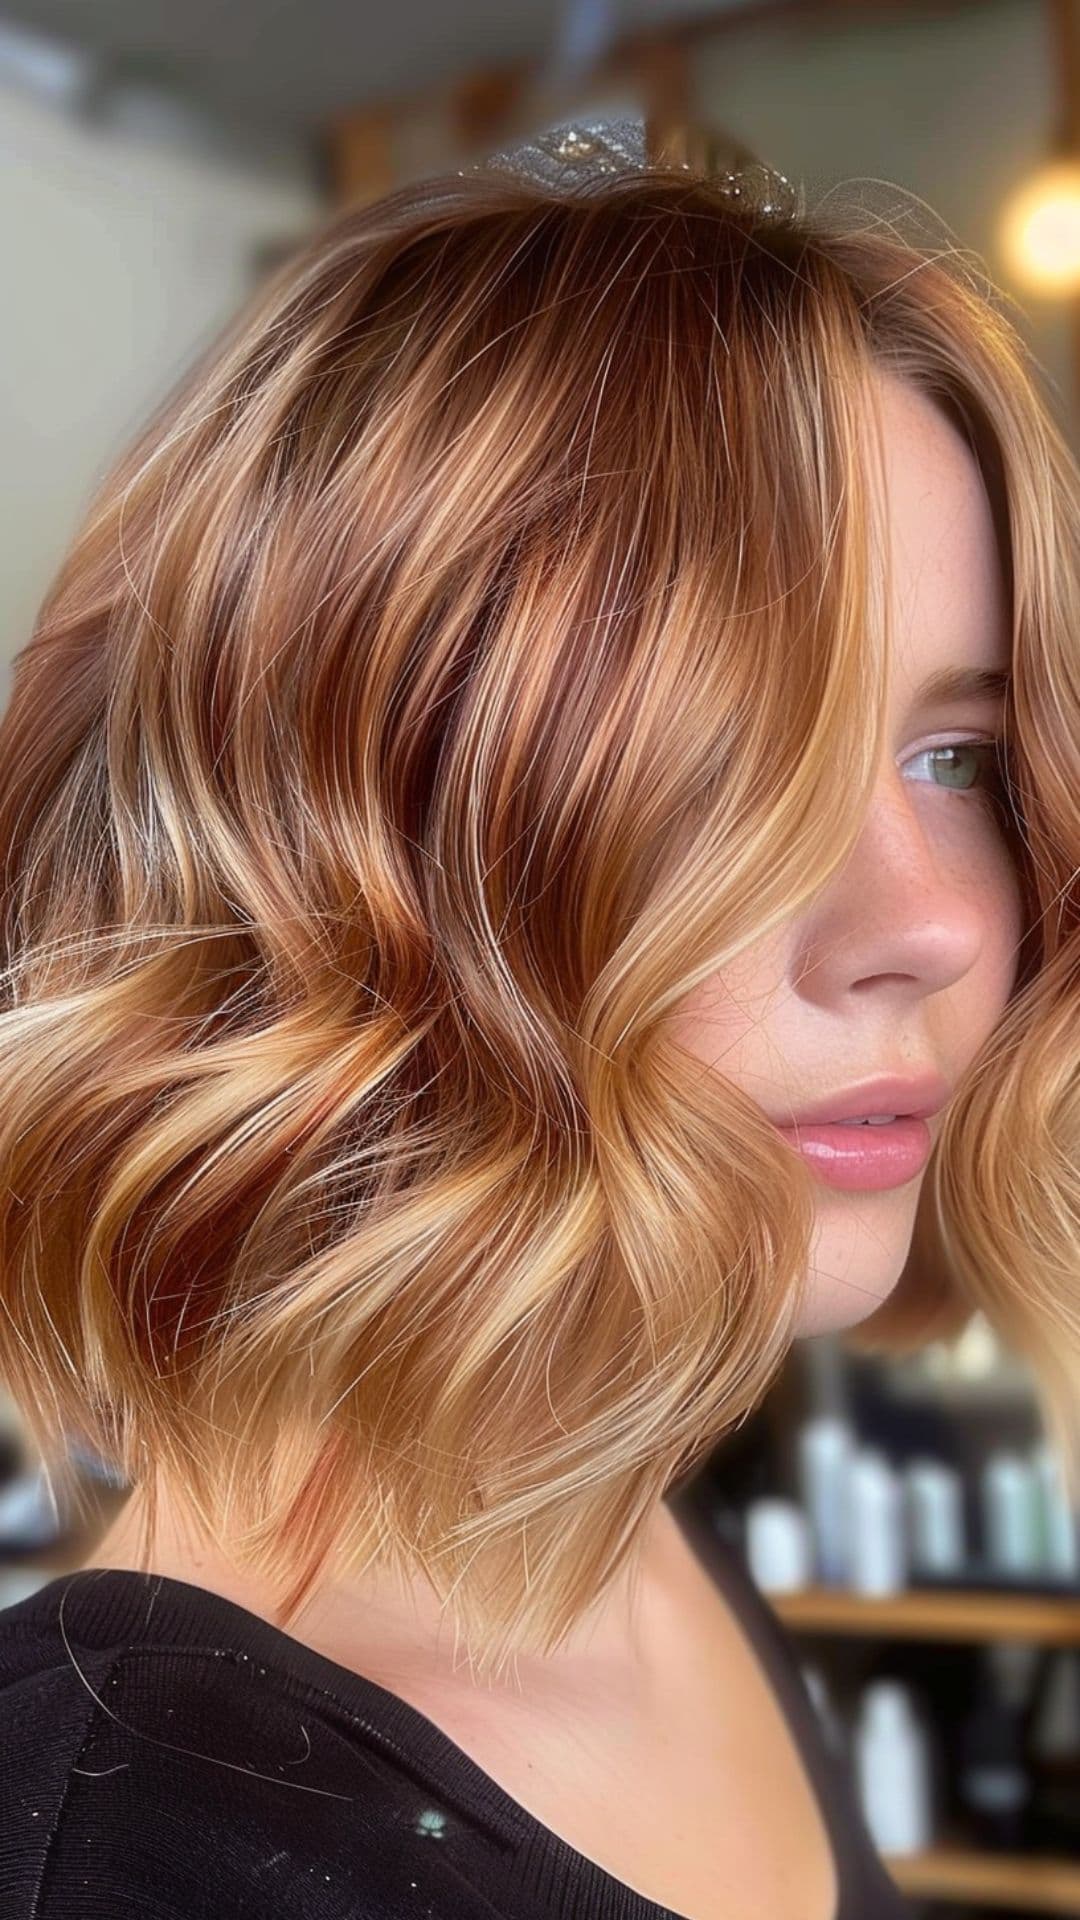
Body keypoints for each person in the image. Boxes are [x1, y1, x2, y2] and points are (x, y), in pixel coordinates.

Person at [0, 115, 1076, 1920]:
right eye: (726, 769)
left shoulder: (637, 1544)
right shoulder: (122, 1851)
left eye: (952, 754)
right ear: (350, 848)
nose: (937, 923)